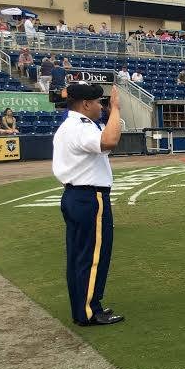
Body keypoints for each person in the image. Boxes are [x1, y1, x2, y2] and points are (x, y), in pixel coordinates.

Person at [51, 83, 124, 326]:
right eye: (97, 103)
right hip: (89, 197)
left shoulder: (72, 125)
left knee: (78, 255)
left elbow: (107, 138)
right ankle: (89, 311)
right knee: (92, 256)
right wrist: (116, 108)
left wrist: (111, 114)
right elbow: (110, 140)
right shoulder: (80, 127)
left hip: (76, 196)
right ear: (85, 104)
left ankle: (83, 308)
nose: (101, 107)